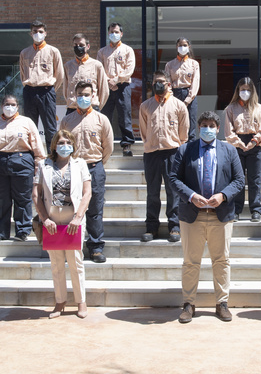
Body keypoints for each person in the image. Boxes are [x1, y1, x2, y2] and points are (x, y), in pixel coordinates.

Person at [169, 111, 245, 323]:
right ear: (198, 127)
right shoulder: (185, 150)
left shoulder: (229, 150)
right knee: (191, 262)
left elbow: (239, 180)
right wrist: (191, 196)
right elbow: (174, 178)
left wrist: (223, 196)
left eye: (212, 125)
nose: (208, 128)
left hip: (220, 216)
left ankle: (222, 303)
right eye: (204, 124)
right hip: (192, 215)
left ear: (218, 128)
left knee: (221, 261)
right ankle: (188, 304)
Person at [33, 130, 91, 319]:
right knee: (56, 264)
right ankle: (60, 301)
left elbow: (87, 193)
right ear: (54, 145)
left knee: (76, 261)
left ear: (73, 145)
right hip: (52, 222)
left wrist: (78, 217)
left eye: (68, 142)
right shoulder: (44, 165)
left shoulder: (80, 164)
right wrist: (44, 219)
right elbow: (36, 195)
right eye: (61, 142)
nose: (64, 145)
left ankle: (81, 301)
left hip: (73, 221)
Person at [59, 81, 113, 263]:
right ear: (74, 96)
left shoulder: (101, 119)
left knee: (95, 209)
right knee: (69, 208)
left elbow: (108, 147)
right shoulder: (67, 120)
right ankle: (71, 246)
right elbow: (61, 144)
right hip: (72, 169)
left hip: (93, 168)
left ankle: (96, 247)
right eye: (80, 94)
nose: (83, 98)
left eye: (87, 94)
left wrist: (97, 164)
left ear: (93, 96)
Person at [0, 95, 46, 242]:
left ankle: (22, 231)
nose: (10, 107)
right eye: (7, 104)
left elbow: (37, 146)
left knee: (22, 199)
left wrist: (38, 167)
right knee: (2, 200)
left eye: (13, 104)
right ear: (2, 106)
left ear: (18, 106)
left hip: (22, 163)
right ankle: (1, 232)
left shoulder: (26, 122)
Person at [139, 70, 189, 242]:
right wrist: (150, 145)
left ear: (169, 84)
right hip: (152, 153)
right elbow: (144, 132)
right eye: (155, 82)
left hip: (172, 152)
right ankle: (151, 227)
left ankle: (174, 226)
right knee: (152, 192)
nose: (158, 84)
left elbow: (184, 133)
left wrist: (177, 146)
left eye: (161, 81)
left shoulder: (179, 106)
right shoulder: (145, 106)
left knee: (173, 191)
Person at [223, 78, 261, 222]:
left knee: (255, 179)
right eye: (242, 89)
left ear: (252, 91)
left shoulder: (259, 108)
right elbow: (228, 131)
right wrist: (239, 143)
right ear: (238, 91)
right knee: (238, 179)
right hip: (237, 145)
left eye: (248, 90)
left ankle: (255, 209)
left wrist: (254, 142)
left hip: (255, 144)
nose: (245, 92)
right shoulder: (231, 108)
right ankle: (236, 209)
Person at [19, 20, 64, 150]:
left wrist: (50, 89)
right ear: (30, 33)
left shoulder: (53, 51)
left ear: (45, 33)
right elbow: (22, 73)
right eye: (35, 32)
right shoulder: (24, 53)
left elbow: (59, 74)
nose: (37, 34)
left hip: (46, 91)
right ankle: (31, 154)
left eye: (40, 31)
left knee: (50, 126)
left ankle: (52, 155)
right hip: (29, 91)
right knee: (29, 125)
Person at [97, 22, 136, 157]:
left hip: (122, 86)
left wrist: (117, 80)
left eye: (117, 31)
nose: (114, 34)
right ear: (108, 34)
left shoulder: (127, 50)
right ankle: (103, 144)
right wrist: (108, 81)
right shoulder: (102, 52)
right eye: (112, 32)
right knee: (104, 116)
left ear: (121, 34)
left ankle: (126, 145)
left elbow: (129, 69)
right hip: (106, 87)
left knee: (124, 116)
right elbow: (99, 70)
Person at [63, 33, 109, 115]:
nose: (78, 47)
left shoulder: (97, 65)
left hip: (92, 109)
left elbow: (104, 90)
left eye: (81, 45)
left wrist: (96, 106)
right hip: (72, 110)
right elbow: (65, 90)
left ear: (88, 46)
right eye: (75, 45)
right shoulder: (68, 66)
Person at [165, 37, 200, 141]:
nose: (182, 47)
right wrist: (171, 96)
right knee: (174, 120)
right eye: (180, 45)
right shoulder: (170, 64)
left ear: (189, 47)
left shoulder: (194, 64)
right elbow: (167, 82)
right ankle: (176, 144)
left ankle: (190, 144)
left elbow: (195, 82)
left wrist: (188, 99)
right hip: (175, 94)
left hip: (189, 93)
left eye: (184, 45)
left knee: (191, 120)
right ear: (176, 47)